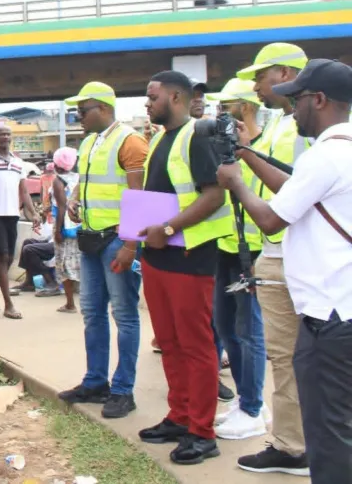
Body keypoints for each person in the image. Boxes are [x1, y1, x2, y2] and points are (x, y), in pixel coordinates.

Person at [216, 58, 352, 483]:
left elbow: (273, 219)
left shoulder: (327, 154)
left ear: (320, 99)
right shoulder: (343, 149)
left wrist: (235, 181)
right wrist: (247, 155)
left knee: (328, 433)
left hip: (329, 316)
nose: (292, 110)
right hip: (341, 307)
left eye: (297, 100)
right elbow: (295, 193)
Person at [136, 71, 233, 466]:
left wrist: (171, 227)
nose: (147, 103)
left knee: (196, 346)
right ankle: (179, 416)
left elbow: (214, 196)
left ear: (175, 97)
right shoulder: (160, 138)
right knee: (169, 342)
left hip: (190, 256)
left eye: (152, 96)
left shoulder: (198, 136)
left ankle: (202, 432)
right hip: (158, 256)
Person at [230, 41, 312, 475]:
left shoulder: (314, 122)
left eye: (260, 77)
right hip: (276, 250)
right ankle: (291, 444)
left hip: (302, 252)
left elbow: (295, 189)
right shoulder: (285, 122)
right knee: (285, 356)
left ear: (283, 74)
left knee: (315, 355)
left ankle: (302, 444)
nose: (255, 88)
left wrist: (244, 159)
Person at [57, 82, 148, 420]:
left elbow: (140, 198)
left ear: (105, 108)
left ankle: (123, 390)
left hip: (116, 242)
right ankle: (96, 382)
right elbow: (89, 180)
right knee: (92, 314)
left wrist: (130, 245)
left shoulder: (131, 142)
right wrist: (77, 199)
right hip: (91, 239)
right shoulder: (90, 142)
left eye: (83, 110)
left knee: (124, 316)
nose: (78, 116)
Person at [204, 79, 269, 440]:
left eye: (224, 107)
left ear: (243, 108)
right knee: (227, 328)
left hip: (254, 251)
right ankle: (247, 398)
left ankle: (254, 407)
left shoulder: (262, 146)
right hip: (226, 247)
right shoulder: (226, 148)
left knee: (249, 332)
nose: (218, 114)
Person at [0, 121, 42, 319]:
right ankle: (8, 304)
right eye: (1, 134)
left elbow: (23, 190)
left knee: (9, 259)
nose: (5, 137)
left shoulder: (18, 163)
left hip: (12, 214)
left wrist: (33, 214)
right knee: (2, 257)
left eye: (8, 134)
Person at [52, 146, 81, 313]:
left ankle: (70, 303)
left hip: (64, 225)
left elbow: (62, 207)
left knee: (63, 265)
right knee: (78, 263)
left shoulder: (58, 181)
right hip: (78, 225)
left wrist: (58, 231)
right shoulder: (77, 178)